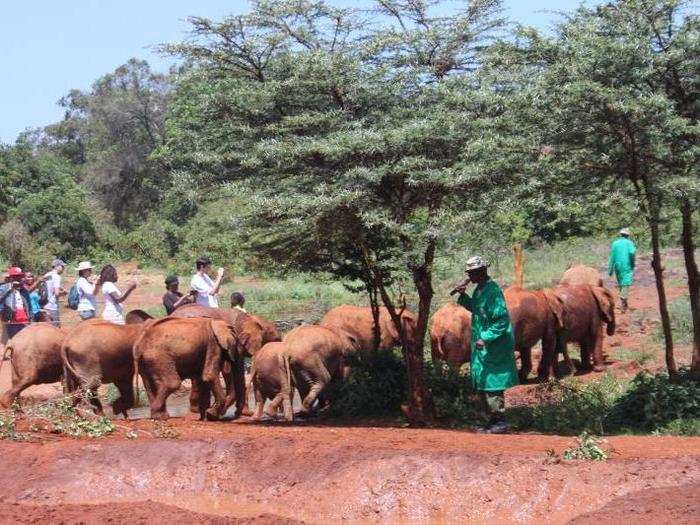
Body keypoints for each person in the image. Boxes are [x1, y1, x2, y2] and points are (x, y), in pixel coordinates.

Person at [452, 256, 518, 434]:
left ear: (481, 272)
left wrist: (485, 337)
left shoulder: (493, 291)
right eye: (469, 273)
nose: (469, 276)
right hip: (482, 347)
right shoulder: (480, 290)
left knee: (492, 383)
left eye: (472, 273)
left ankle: (500, 421)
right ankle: (489, 421)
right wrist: (463, 295)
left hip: (493, 346)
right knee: (483, 381)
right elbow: (477, 308)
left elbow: (501, 320)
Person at [608, 227, 636, 312]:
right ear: (628, 235)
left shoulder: (615, 243)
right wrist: (632, 262)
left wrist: (610, 269)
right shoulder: (629, 243)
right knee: (626, 283)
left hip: (617, 265)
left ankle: (625, 303)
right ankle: (623, 300)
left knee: (621, 283)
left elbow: (612, 257)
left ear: (620, 234)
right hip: (626, 265)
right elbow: (632, 252)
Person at [0, 267, 33, 338]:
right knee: (12, 341)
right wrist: (10, 289)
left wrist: (30, 318)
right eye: (15, 277)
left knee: (24, 341)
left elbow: (29, 305)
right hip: (10, 321)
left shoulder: (24, 290)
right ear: (10, 278)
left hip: (24, 321)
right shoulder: (4, 288)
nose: (18, 278)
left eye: (19, 276)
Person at [44, 258, 67, 326]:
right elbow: (56, 293)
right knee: (55, 329)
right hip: (52, 306)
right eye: (62, 266)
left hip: (44, 305)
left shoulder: (47, 275)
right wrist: (64, 293)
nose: (63, 268)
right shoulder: (56, 276)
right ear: (57, 266)